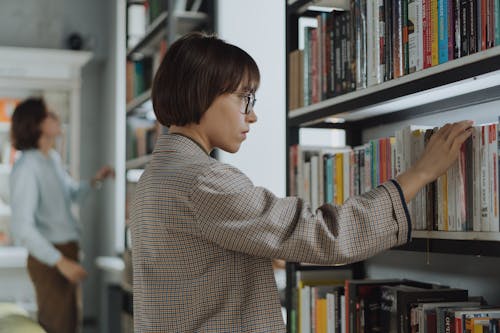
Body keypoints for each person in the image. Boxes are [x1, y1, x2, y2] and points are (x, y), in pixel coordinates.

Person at [129, 32, 473, 333]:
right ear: (202, 93)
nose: (252, 114)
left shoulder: (155, 177)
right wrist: (419, 174)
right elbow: (324, 235)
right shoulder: (203, 180)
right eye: (243, 97)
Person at [9, 98, 114, 333]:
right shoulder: (26, 167)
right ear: (36, 124)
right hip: (50, 258)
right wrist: (60, 262)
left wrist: (95, 181)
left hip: (66, 251)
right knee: (58, 327)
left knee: (69, 324)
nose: (56, 116)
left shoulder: (52, 159)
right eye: (49, 114)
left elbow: (71, 195)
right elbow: (21, 228)